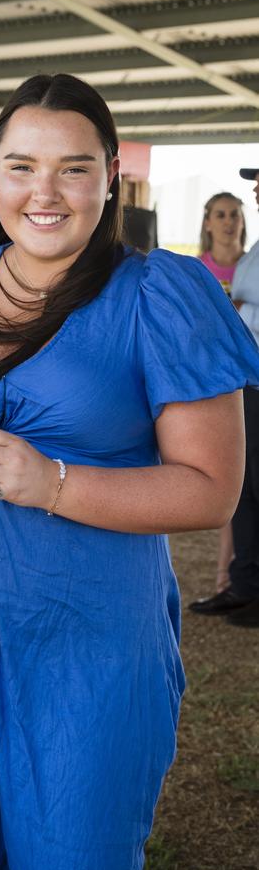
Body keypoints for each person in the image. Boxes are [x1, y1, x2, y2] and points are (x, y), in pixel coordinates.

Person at [0, 73, 259, 870]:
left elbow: (211, 491)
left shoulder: (160, 294)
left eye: (73, 168)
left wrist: (49, 481)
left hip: (90, 646)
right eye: (21, 167)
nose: (44, 192)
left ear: (111, 175)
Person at [191, 165, 259, 627]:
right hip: (244, 380)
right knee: (246, 490)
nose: (256, 189)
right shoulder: (252, 254)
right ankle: (243, 585)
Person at [197, 192, 247, 591]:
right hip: (214, 380)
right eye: (221, 214)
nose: (229, 221)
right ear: (208, 222)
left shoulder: (251, 265)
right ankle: (223, 572)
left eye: (235, 214)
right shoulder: (198, 270)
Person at [198, 191, 246, 295]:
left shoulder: (255, 265)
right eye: (220, 216)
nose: (229, 221)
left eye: (234, 215)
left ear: (242, 221)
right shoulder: (195, 269)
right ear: (207, 224)